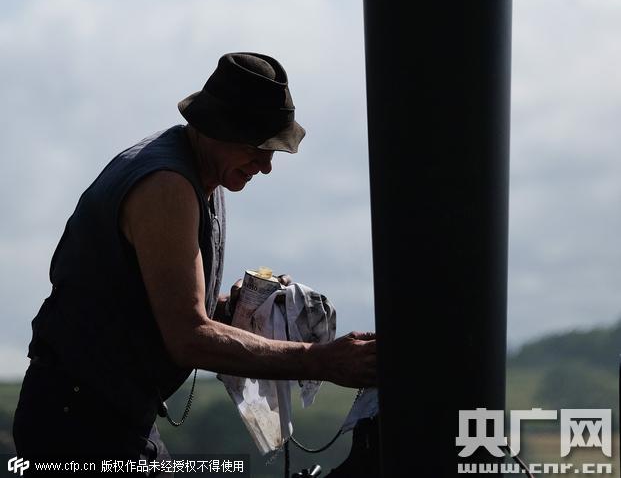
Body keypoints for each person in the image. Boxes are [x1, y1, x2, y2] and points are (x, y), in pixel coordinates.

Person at [13, 52, 376, 461]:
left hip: (110, 415)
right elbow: (188, 338)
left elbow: (163, 310)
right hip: (79, 424)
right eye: (258, 146)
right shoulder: (166, 187)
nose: (267, 165)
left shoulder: (205, 177)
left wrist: (239, 310)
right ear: (217, 129)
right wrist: (321, 360)